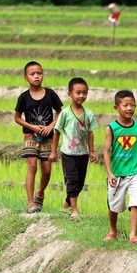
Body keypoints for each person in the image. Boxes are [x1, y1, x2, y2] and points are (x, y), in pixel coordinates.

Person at [14, 61, 63, 213]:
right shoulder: (23, 97)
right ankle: (30, 203)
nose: (36, 76)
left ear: (43, 75)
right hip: (30, 135)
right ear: (25, 77)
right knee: (32, 166)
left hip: (48, 137)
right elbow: (17, 117)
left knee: (47, 170)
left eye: (39, 73)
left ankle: (40, 192)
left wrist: (51, 126)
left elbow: (60, 112)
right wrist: (32, 127)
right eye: (32, 74)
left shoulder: (50, 94)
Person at [49, 77, 98, 221]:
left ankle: (66, 204)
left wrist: (92, 151)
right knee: (72, 180)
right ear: (70, 94)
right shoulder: (65, 113)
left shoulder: (88, 113)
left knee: (80, 182)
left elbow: (90, 133)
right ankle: (75, 209)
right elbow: (57, 132)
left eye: (84, 93)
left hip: (82, 154)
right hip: (68, 154)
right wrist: (53, 151)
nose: (81, 95)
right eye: (78, 92)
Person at [103, 90, 137, 244]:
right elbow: (106, 151)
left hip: (135, 171)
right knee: (114, 205)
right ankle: (113, 230)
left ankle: (133, 235)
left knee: (136, 201)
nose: (129, 108)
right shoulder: (111, 128)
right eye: (125, 105)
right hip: (117, 173)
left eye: (132, 105)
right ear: (116, 108)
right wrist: (110, 173)